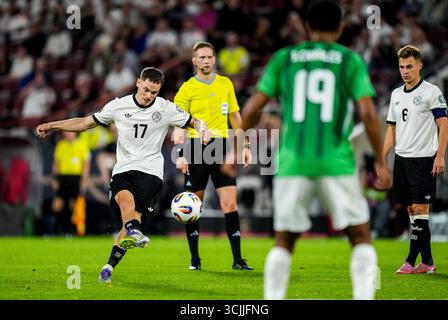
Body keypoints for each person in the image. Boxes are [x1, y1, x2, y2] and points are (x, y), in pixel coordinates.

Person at [231, 0, 392, 299]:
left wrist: (235, 146)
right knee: (360, 238)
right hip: (337, 162)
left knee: (284, 241)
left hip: (293, 162)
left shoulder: (284, 58)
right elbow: (369, 114)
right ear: (341, 27)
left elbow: (253, 108)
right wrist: (381, 161)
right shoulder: (349, 60)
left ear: (306, 27)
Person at [36, 67, 211, 283]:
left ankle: (110, 264)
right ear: (138, 82)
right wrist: (52, 125)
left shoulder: (166, 109)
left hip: (150, 171)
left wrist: (204, 129)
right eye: (146, 89)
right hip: (124, 168)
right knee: (125, 201)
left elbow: (195, 121)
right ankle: (133, 234)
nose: (149, 96)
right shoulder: (118, 106)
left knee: (129, 222)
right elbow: (84, 123)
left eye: (154, 92)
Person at [172, 41, 253, 271]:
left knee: (229, 204)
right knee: (192, 206)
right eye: (202, 58)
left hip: (222, 146)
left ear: (214, 59)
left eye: (210, 57)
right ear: (194, 61)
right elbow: (178, 125)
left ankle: (238, 260)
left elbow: (236, 118)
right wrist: (180, 154)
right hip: (195, 147)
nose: (206, 61)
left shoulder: (225, 84)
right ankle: (195, 260)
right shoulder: (187, 88)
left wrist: (245, 145)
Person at [382, 45, 448, 274]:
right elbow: (391, 130)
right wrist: (382, 157)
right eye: (401, 67)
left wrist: (440, 156)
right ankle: (428, 262)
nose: (405, 71)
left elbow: (444, 125)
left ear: (419, 65)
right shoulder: (396, 95)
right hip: (402, 159)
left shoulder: (431, 92)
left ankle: (410, 261)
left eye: (409, 66)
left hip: (424, 160)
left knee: (421, 207)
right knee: (413, 210)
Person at [51, 131, 90, 235]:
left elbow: (85, 164)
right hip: (63, 177)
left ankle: (71, 230)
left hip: (76, 177)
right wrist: (55, 178)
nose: (67, 134)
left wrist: (84, 179)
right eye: (66, 132)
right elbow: (56, 163)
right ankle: (58, 228)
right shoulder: (61, 145)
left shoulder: (82, 145)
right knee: (58, 204)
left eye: (70, 132)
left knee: (73, 204)